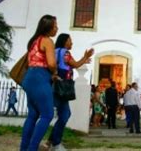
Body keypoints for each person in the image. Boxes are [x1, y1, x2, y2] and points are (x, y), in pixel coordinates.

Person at [45, 33, 93, 151]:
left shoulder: (55, 51)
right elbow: (76, 65)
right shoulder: (65, 53)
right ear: (65, 41)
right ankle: (55, 142)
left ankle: (51, 141)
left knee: (58, 114)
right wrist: (85, 57)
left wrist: (84, 60)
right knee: (64, 115)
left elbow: (65, 66)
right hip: (62, 88)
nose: (72, 42)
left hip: (53, 85)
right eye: (70, 40)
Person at [20, 15, 58, 151]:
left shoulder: (34, 41)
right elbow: (52, 63)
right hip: (40, 77)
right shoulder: (47, 41)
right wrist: (54, 72)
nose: (57, 28)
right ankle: (32, 148)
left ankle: (24, 148)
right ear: (49, 28)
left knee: (33, 115)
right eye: (55, 26)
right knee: (47, 114)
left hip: (29, 77)